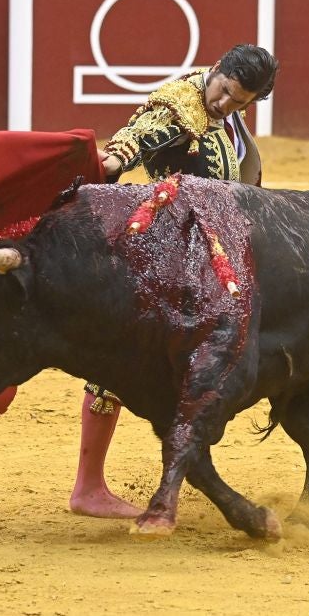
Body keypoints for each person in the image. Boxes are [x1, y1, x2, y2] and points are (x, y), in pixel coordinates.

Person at [73, 44, 279, 520]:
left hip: (206, 257)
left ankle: (178, 476)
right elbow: (141, 134)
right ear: (217, 70)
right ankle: (88, 488)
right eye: (224, 92)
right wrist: (115, 159)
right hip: (164, 256)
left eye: (239, 101)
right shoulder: (179, 106)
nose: (225, 104)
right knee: (119, 363)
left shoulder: (227, 107)